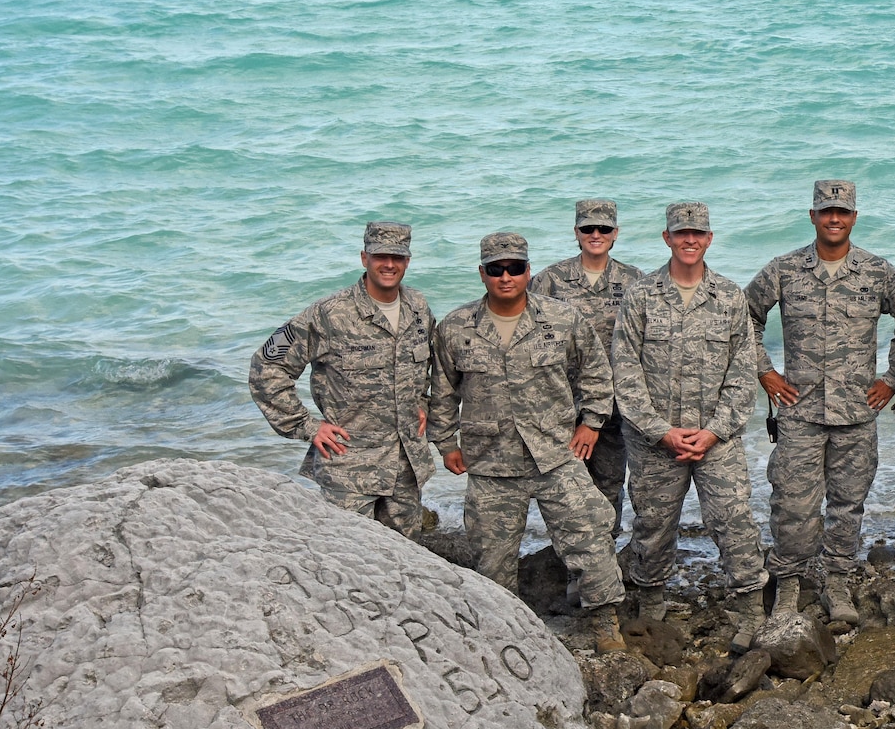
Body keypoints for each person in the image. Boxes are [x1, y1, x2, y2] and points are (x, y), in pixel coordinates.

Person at [427, 232, 624, 653]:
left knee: (590, 539)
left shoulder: (562, 318)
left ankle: (605, 625)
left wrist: (591, 423)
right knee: (492, 562)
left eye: (514, 268)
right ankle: (503, 637)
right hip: (490, 465)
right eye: (495, 269)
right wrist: (445, 444)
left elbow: (596, 373)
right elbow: (442, 393)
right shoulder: (455, 327)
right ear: (482, 274)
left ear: (528, 271)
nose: (505, 277)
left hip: (555, 455)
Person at [746, 180, 895, 626]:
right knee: (793, 504)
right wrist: (765, 372)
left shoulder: (877, 272)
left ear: (854, 217)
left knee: (847, 503)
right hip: (799, 411)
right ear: (812, 215)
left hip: (857, 412)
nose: (833, 218)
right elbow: (743, 318)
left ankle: (837, 580)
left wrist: (892, 380)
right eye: (825, 211)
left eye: (842, 211)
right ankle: (789, 585)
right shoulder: (785, 269)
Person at [611, 203, 769, 652]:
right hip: (654, 441)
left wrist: (715, 431)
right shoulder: (641, 297)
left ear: (709, 238)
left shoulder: (729, 297)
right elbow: (624, 371)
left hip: (716, 438)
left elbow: (743, 373)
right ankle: (651, 602)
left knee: (732, 519)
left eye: (697, 233)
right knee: (653, 524)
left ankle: (749, 605)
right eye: (681, 233)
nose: (689, 240)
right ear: (667, 238)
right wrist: (659, 429)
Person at [249, 221, 436, 537]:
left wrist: (422, 401)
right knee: (350, 560)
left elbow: (428, 362)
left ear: (407, 260)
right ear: (364, 258)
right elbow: (265, 367)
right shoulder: (327, 313)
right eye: (380, 256)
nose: (388, 264)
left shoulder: (417, 307)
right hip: (349, 469)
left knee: (407, 564)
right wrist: (306, 425)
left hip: (405, 467)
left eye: (397, 256)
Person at [529, 199, 643, 543]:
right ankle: (567, 554)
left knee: (609, 480)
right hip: (562, 403)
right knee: (565, 483)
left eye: (604, 229)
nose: (596, 235)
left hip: (615, 404)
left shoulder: (635, 280)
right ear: (576, 233)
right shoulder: (549, 280)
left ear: (615, 234)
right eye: (588, 229)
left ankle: (604, 552)